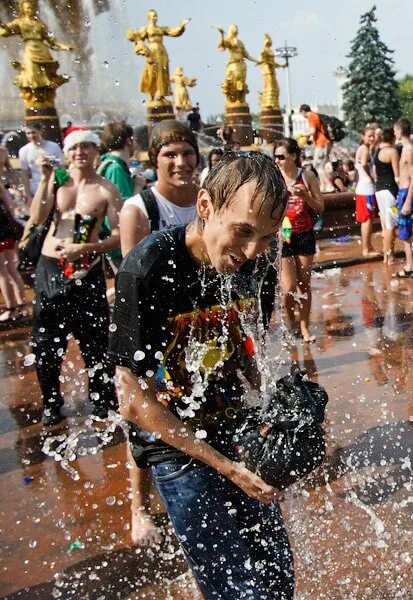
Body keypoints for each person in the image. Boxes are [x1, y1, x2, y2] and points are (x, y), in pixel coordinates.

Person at [111, 153, 294, 598]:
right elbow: (131, 400)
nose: (252, 252)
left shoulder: (257, 265)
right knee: (234, 588)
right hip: (175, 450)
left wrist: (282, 408)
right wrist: (228, 470)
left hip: (233, 432)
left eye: (267, 238)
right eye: (243, 232)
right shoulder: (148, 269)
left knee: (277, 576)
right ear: (206, 206)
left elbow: (245, 352)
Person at [115, 119, 201, 548]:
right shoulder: (140, 209)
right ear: (156, 160)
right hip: (154, 331)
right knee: (145, 421)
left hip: (201, 323)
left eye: (187, 153)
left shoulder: (208, 202)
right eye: (170, 155)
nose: (181, 162)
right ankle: (139, 508)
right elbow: (133, 281)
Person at [26, 130, 121, 426]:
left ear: (96, 150)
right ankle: (52, 402)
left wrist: (89, 247)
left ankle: (102, 400)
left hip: (86, 269)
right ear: (67, 153)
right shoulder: (57, 182)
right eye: (75, 147)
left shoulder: (105, 188)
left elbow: (119, 235)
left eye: (87, 146)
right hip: (50, 269)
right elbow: (37, 218)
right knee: (45, 343)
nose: (80, 152)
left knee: (94, 341)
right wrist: (43, 179)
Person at [276, 137, 324, 343]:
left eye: (281, 156)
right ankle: (291, 322)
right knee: (288, 288)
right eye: (275, 157)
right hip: (282, 236)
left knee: (303, 284)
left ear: (293, 156)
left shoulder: (307, 176)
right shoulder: (274, 178)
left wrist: (305, 197)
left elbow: (320, 208)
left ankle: (304, 326)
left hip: (304, 234)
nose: (277, 160)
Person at [98, 121, 136, 273]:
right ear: (129, 141)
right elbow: (124, 206)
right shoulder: (116, 168)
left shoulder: (109, 163)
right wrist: (139, 187)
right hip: (120, 241)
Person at [393, 118, 413, 279]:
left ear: (400, 131)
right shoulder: (406, 148)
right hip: (403, 193)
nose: (394, 133)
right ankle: (409, 266)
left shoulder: (409, 150)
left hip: (406, 193)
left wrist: (408, 201)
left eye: (395, 130)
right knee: (404, 231)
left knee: (406, 233)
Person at [373, 127, 400, 264]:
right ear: (393, 138)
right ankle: (390, 257)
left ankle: (386, 257)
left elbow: (375, 173)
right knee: (391, 226)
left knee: (385, 225)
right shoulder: (392, 152)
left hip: (379, 191)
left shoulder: (377, 151)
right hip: (390, 192)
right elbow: (397, 176)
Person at [0, 185, 26, 322]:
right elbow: (9, 207)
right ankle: (22, 307)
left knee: (2, 272)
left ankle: (11, 309)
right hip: (7, 228)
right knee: (11, 269)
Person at [18, 123, 63, 200]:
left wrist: (62, 188)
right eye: (28, 133)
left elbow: (61, 168)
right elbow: (24, 174)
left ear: (41, 131)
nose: (31, 136)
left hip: (54, 186)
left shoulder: (53, 146)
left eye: (34, 132)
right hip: (36, 189)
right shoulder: (24, 150)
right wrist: (28, 196)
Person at [354, 125, 379, 259]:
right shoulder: (364, 149)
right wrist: (370, 177)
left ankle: (368, 246)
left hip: (363, 188)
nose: (372, 138)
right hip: (366, 189)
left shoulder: (363, 149)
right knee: (367, 220)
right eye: (369, 135)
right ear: (363, 137)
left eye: (373, 135)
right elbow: (364, 164)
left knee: (368, 219)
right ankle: (366, 250)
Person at [300, 104, 331, 189]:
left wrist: (302, 134)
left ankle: (329, 185)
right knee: (320, 165)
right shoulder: (315, 115)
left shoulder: (311, 115)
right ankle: (323, 185)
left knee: (317, 165)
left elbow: (312, 130)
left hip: (321, 143)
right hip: (323, 142)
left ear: (303, 111)